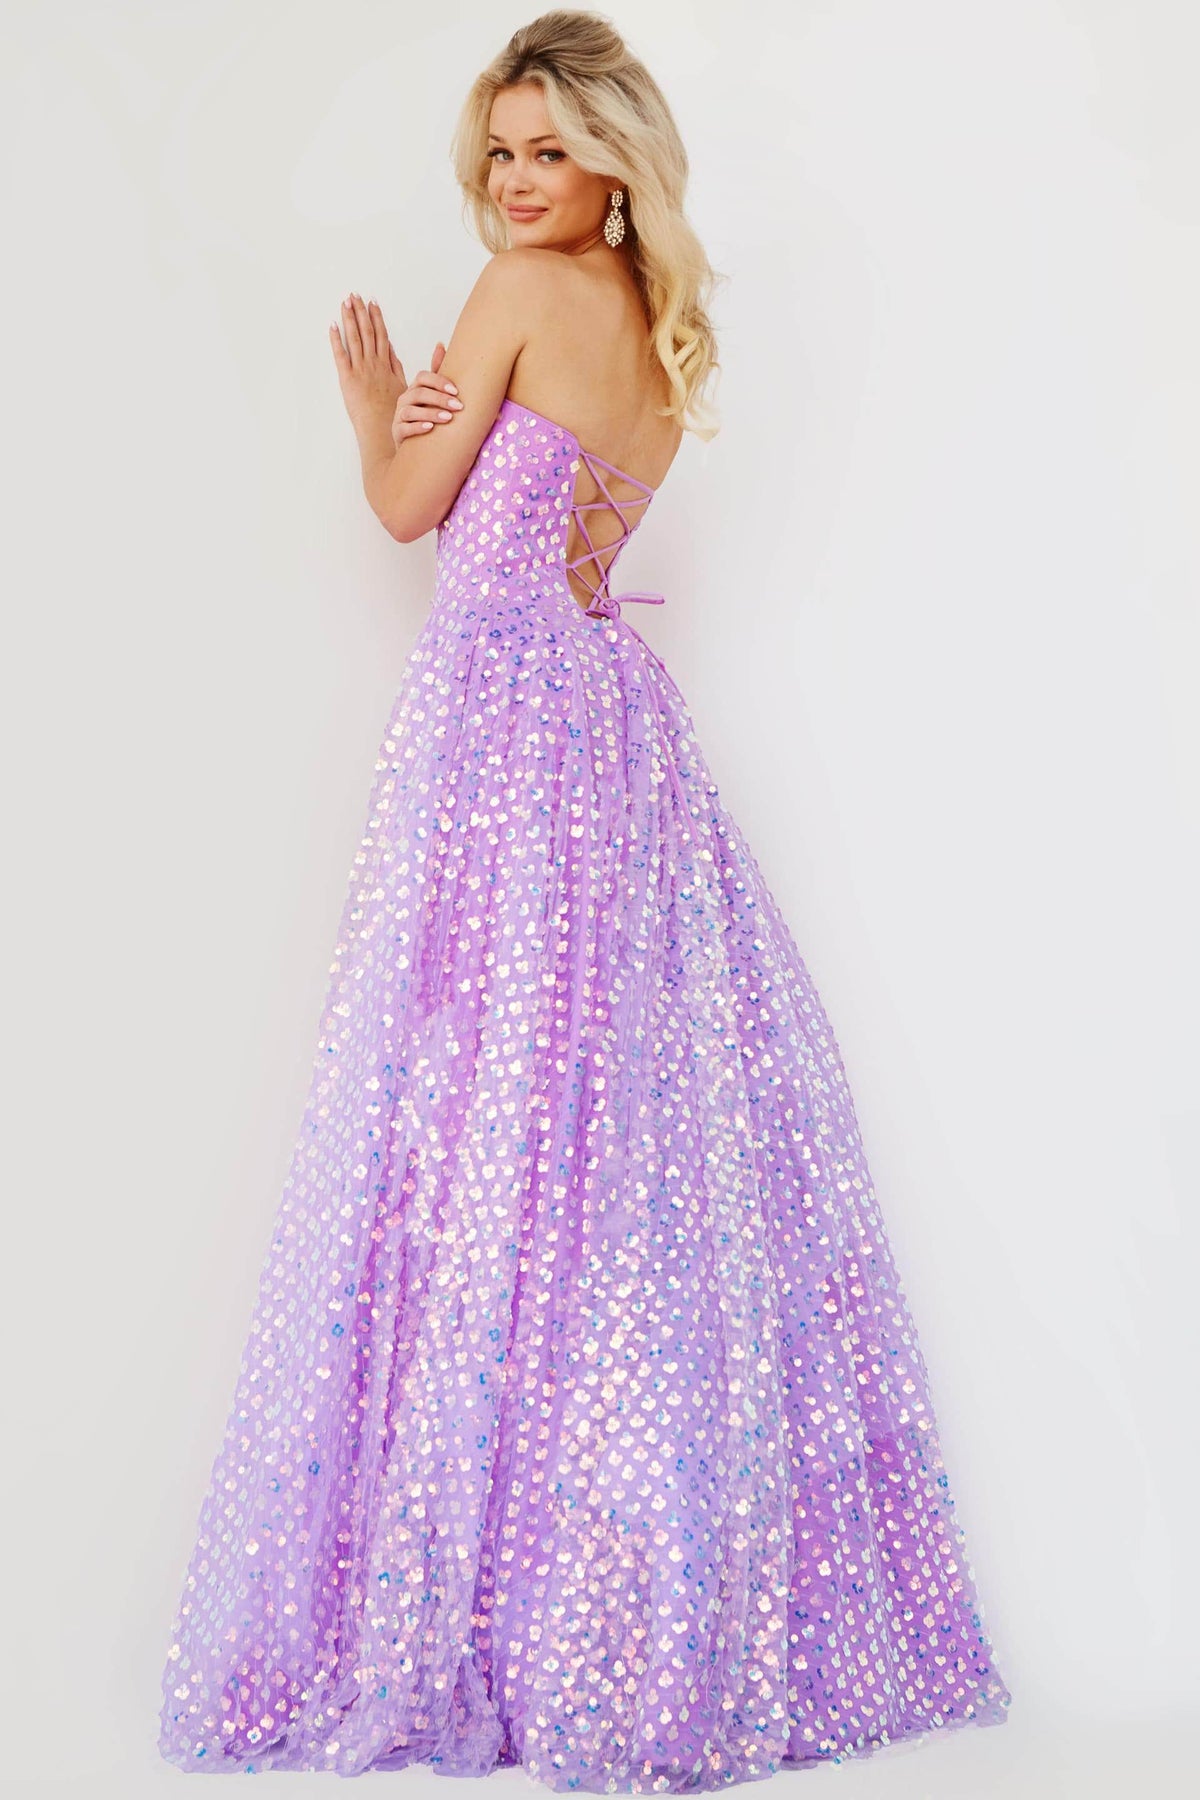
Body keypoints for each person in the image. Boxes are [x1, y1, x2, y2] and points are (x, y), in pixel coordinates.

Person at [157, 10, 1011, 1789]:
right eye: (501, 151)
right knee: (602, 1142)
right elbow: (566, 546)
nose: (517, 179)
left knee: (480, 1121)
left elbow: (410, 510)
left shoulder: (520, 294)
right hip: (611, 730)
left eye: (550, 148)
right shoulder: (659, 331)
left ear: (617, 162)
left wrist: (366, 418)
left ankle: (492, 1600)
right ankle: (609, 1593)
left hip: (498, 729)